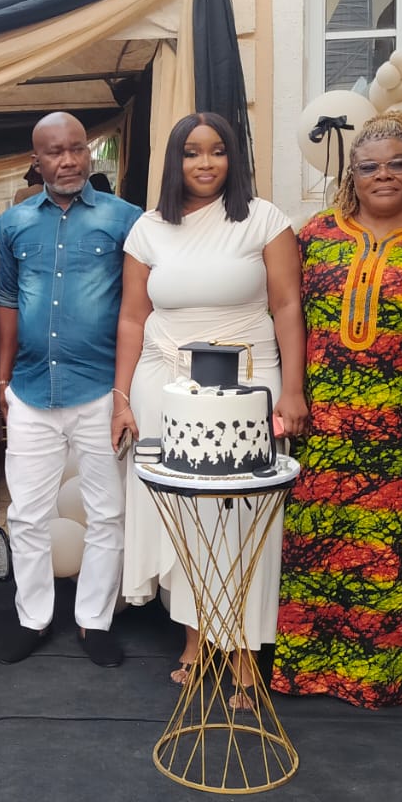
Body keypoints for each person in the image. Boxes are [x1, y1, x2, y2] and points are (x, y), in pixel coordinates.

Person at [268, 110, 402, 709]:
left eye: (397, 164)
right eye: (369, 167)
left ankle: (390, 680)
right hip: (329, 433)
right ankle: (314, 673)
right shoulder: (316, 235)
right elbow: (291, 320)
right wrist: (292, 392)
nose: (383, 175)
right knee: (321, 552)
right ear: (351, 176)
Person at [112, 113, 307, 705]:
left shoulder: (265, 219)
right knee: (184, 515)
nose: (204, 163)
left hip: (248, 382)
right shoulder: (148, 229)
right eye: (192, 152)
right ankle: (195, 640)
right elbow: (132, 318)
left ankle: (244, 650)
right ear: (174, 161)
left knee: (245, 515)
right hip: (163, 384)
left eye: (217, 151)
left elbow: (287, 306)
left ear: (233, 158)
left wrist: (293, 390)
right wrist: (121, 398)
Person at [0, 112, 141, 666]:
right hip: (31, 389)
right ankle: (32, 618)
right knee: (26, 515)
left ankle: (93, 621)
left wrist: (124, 393)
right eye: (55, 152)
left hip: (100, 389)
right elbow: (8, 301)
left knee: (107, 513)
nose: (68, 160)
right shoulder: (13, 224)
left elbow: (137, 307)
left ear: (89, 152)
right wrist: (3, 380)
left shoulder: (125, 219)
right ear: (36, 161)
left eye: (77, 148)